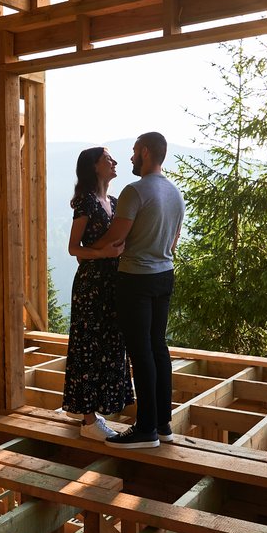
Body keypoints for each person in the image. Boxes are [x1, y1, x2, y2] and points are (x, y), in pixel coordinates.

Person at [96, 132, 184, 449]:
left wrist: (87, 246)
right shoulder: (175, 192)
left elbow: (115, 238)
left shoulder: (134, 191)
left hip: (136, 278)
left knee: (140, 352)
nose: (131, 157)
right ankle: (162, 424)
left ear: (145, 152)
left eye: (134, 151)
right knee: (158, 347)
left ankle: (145, 429)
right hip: (164, 275)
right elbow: (174, 241)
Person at [60, 146, 133, 441]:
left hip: (112, 284)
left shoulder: (114, 203)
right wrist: (103, 253)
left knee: (109, 345)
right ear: (94, 167)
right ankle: (89, 420)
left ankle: (89, 411)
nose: (114, 161)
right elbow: (73, 248)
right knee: (88, 347)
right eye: (107, 158)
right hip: (91, 286)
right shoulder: (86, 202)